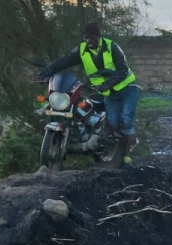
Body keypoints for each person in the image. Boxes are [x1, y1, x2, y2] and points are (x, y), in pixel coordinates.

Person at [39, 22, 139, 166]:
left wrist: (107, 84)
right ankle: (104, 148)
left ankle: (127, 153)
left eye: (92, 38)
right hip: (108, 92)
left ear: (99, 37)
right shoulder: (82, 50)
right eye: (86, 38)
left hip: (127, 88)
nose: (89, 41)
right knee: (112, 122)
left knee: (125, 119)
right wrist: (47, 72)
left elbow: (123, 70)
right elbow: (65, 61)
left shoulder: (112, 47)